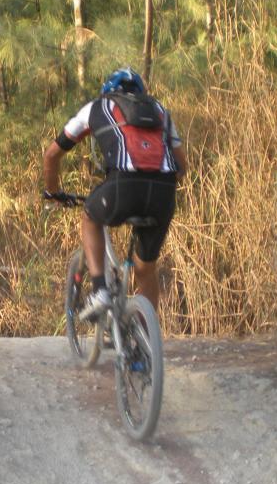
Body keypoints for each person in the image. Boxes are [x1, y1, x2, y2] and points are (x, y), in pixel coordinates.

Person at [43, 67, 187, 316]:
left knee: (90, 216)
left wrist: (53, 191)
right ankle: (145, 346)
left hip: (123, 186)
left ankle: (100, 290)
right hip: (164, 193)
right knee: (145, 270)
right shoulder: (161, 111)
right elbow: (182, 167)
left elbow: (52, 154)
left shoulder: (96, 107)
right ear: (141, 93)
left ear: (106, 92)